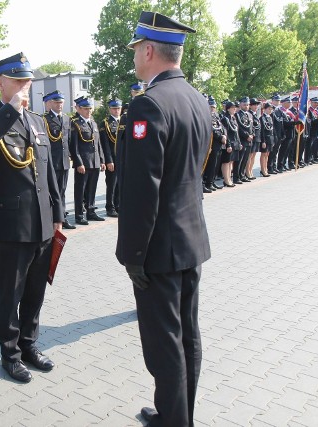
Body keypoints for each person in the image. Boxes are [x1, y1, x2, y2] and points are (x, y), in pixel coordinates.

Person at [117, 12, 211, 427]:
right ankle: (179, 413)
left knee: (164, 345)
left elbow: (142, 190)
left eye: (137, 49)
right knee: (187, 336)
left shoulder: (148, 104)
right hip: (190, 240)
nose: (136, 57)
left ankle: (175, 421)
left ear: (150, 50)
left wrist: (132, 254)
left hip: (158, 249)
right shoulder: (195, 98)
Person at [0, 52, 63, 384]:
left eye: (28, 81)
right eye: (19, 81)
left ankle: (29, 345)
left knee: (36, 291)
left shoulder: (37, 121)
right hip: (11, 225)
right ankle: (9, 354)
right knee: (10, 294)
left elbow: (50, 171)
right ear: (1, 84)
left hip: (42, 222)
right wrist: (10, 111)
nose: (26, 86)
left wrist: (58, 212)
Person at [70, 96, 106, 225]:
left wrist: (102, 160)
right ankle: (79, 215)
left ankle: (90, 211)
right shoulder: (75, 123)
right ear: (78, 108)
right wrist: (78, 162)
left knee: (92, 188)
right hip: (83, 163)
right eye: (85, 109)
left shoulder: (93, 122)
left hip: (95, 161)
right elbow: (74, 146)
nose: (88, 111)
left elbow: (98, 144)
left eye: (90, 108)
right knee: (80, 190)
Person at [42, 90, 74, 229]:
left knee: (62, 190)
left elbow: (69, 141)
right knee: (51, 191)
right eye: (57, 102)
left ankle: (62, 217)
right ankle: (50, 218)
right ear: (49, 103)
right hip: (52, 162)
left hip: (64, 161)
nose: (60, 105)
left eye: (61, 102)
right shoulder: (44, 119)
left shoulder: (67, 119)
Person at [99, 98, 121, 216]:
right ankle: (110, 207)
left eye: (118, 108)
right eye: (114, 108)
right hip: (112, 159)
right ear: (109, 109)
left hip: (121, 158)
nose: (116, 111)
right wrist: (108, 160)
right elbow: (105, 144)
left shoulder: (123, 121)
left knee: (119, 184)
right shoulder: (105, 123)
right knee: (111, 184)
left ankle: (118, 205)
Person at [203, 97, 226, 192]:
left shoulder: (216, 115)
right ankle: (208, 182)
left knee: (216, 164)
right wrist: (221, 137)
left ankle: (212, 181)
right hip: (213, 143)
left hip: (220, 143)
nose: (213, 108)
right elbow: (212, 129)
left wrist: (224, 135)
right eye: (211, 106)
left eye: (214, 107)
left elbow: (222, 126)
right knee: (211, 164)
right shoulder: (207, 115)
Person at [220, 101, 239, 187]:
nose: (235, 109)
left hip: (234, 142)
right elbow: (226, 132)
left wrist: (239, 143)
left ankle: (229, 178)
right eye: (233, 107)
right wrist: (228, 145)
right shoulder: (225, 119)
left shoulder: (233, 118)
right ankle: (226, 180)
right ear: (228, 109)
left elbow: (236, 132)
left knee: (231, 162)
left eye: (235, 107)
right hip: (229, 143)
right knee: (226, 162)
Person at [259, 102, 275, 177]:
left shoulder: (270, 117)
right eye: (269, 109)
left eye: (271, 109)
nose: (270, 110)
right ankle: (263, 170)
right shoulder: (262, 118)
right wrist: (263, 141)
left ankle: (266, 168)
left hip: (270, 138)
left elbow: (271, 129)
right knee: (264, 154)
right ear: (264, 109)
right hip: (265, 138)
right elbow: (262, 130)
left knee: (267, 154)